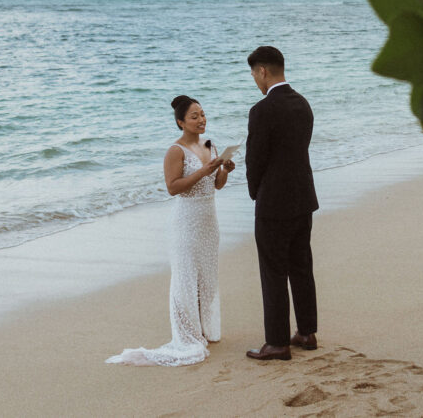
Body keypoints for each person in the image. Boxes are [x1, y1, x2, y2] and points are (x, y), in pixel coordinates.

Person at [106, 95, 236, 366]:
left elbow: (217, 185)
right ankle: (187, 335)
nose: (201, 120)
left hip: (209, 221)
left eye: (202, 114)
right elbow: (173, 187)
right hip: (186, 222)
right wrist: (204, 171)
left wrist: (224, 170)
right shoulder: (175, 151)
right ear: (180, 122)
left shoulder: (210, 145)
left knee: (207, 276)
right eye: (194, 116)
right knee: (185, 277)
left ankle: (206, 329)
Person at [244, 46, 319, 361]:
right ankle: (307, 332)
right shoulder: (302, 103)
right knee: (301, 266)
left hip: (274, 203)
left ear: (262, 71)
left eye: (254, 74)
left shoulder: (262, 110)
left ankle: (277, 342)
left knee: (273, 271)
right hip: (303, 197)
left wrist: (255, 192)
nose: (255, 81)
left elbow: (255, 160)